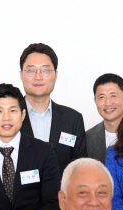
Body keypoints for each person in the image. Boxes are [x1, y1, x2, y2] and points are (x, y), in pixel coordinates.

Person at [17, 43, 87, 173]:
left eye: (45, 70)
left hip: (61, 193)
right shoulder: (6, 117)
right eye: (31, 70)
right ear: (21, 75)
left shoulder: (73, 119)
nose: (38, 77)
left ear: (55, 74)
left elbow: (80, 170)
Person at [87, 73, 123, 163]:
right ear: (95, 101)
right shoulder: (87, 138)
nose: (108, 103)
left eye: (113, 96)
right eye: (102, 97)